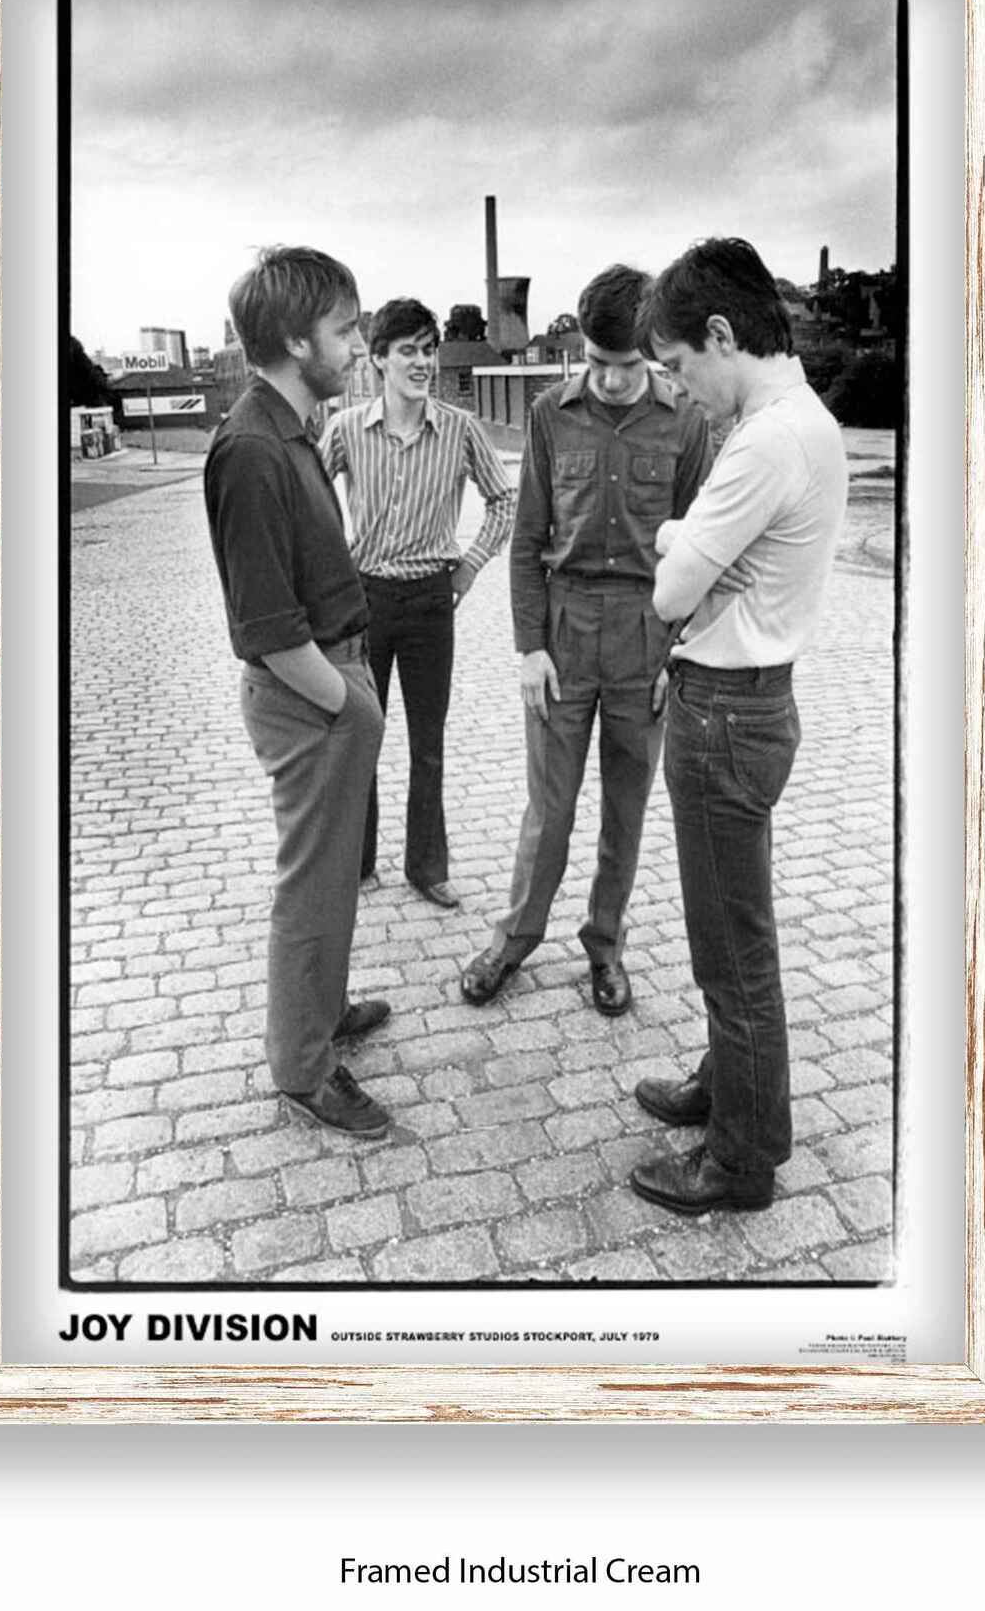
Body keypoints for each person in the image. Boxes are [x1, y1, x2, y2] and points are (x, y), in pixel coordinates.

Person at [628, 236, 849, 1214]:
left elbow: (671, 587)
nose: (679, 390)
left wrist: (680, 537)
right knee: (729, 934)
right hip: (748, 701)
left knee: (732, 948)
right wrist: (695, 542)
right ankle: (725, 1085)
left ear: (720, 335)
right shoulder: (801, 421)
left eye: (678, 367)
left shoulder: (765, 437)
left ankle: (740, 1158)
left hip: (726, 713)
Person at [460, 264, 712, 1017]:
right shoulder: (547, 414)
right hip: (565, 633)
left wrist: (679, 650)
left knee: (625, 807)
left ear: (651, 357)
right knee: (550, 806)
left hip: (646, 630)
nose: (607, 379)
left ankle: (605, 946)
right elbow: (528, 535)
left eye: (625, 365)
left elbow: (698, 549)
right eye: (596, 363)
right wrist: (528, 647)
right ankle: (514, 938)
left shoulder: (686, 421)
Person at [203, 246, 392, 1141]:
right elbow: (267, 625)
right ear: (292, 339)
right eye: (344, 329)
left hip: (329, 679)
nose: (358, 346)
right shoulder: (249, 448)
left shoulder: (291, 427)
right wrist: (347, 702)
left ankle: (320, 1008)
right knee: (312, 888)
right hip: (308, 692)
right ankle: (304, 1066)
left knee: (331, 883)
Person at [319, 297, 515, 909]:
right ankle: (357, 861)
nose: (422, 362)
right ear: (378, 359)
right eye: (408, 350)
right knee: (361, 736)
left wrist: (471, 566)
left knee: (428, 741)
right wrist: (329, 576)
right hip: (365, 599)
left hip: (433, 601)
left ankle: (427, 867)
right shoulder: (346, 428)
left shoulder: (459, 429)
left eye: (429, 350)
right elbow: (308, 499)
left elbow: (504, 501)